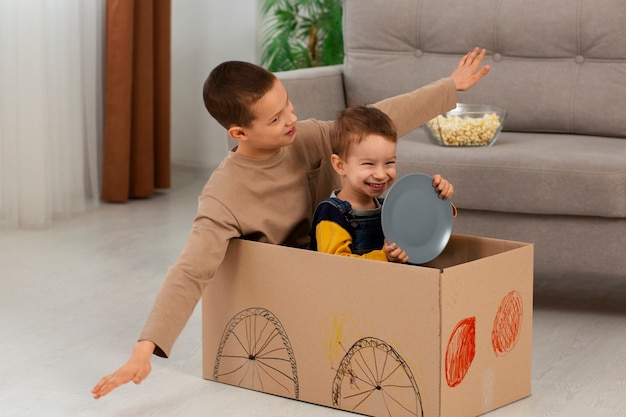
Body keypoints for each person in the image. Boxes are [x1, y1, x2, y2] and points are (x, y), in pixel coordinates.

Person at [91, 47, 490, 399]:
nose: (291, 118)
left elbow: (373, 125)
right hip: (296, 293)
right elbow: (191, 271)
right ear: (239, 132)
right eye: (276, 117)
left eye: (288, 104)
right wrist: (144, 349)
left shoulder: (306, 138)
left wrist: (448, 88)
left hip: (349, 263)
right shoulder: (223, 195)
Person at [310, 105, 429, 263]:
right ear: (340, 165)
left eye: (389, 162)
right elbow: (336, 267)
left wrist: (438, 196)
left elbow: (422, 226)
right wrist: (384, 258)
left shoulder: (389, 208)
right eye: (368, 164)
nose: (380, 175)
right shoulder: (331, 214)